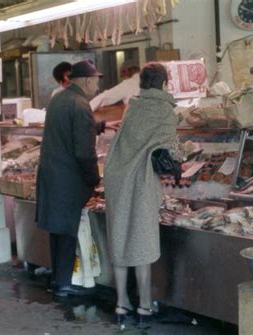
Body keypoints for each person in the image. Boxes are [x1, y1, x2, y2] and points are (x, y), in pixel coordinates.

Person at [103, 63, 177, 325]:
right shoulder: (165, 110)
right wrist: (186, 152)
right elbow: (171, 150)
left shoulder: (133, 105)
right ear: (164, 83)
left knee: (120, 238)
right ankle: (145, 304)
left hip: (116, 177)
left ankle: (122, 302)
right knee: (142, 241)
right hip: (141, 180)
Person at [36, 60, 102, 298]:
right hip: (69, 178)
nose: (97, 87)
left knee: (58, 231)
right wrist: (94, 179)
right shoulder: (81, 104)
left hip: (52, 174)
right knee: (67, 231)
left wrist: (100, 126)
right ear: (86, 81)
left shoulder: (59, 99)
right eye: (95, 81)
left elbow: (68, 129)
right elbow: (85, 152)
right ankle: (64, 284)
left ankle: (58, 278)